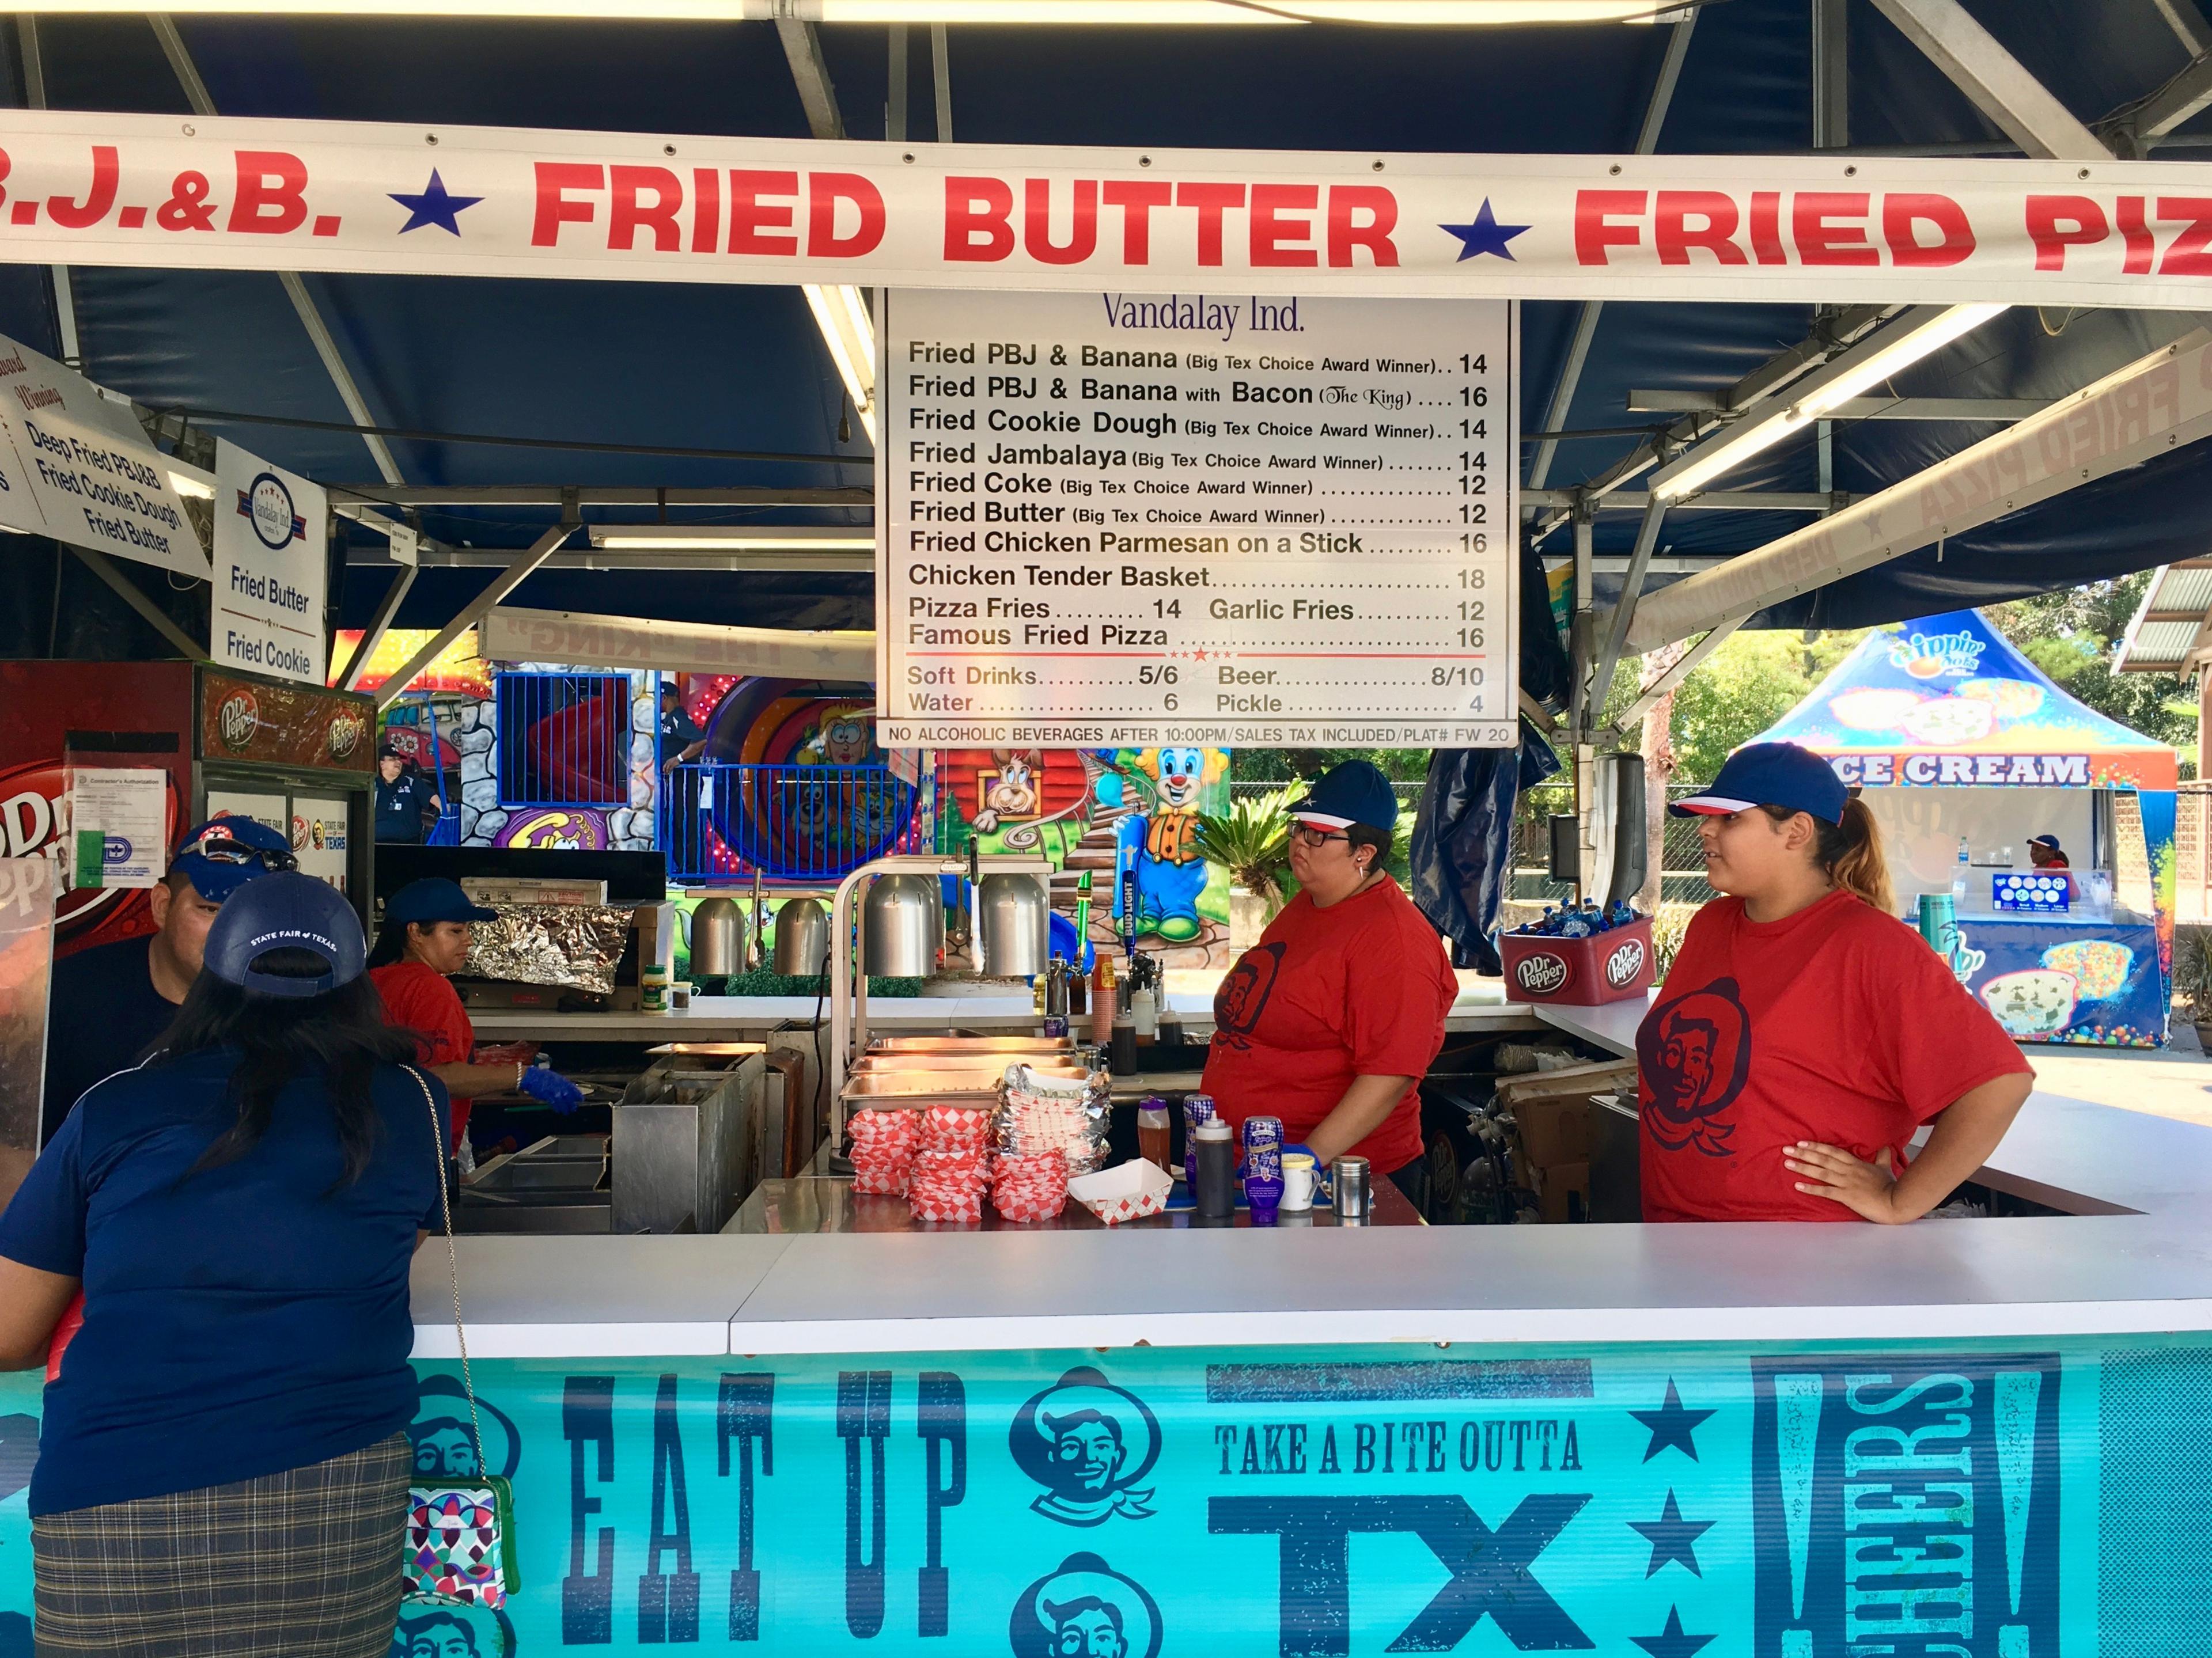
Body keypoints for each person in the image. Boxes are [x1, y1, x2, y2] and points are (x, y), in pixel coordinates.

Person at [0, 873, 449, 1655]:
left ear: (211, 981)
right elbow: (390, 1238)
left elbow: (9, 1332)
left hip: (114, 1490)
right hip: (332, 1489)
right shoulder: (412, 1101)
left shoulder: (115, 1105)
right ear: (357, 989)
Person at [1642, 742, 2034, 1224]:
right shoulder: (1712, 923)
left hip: (1805, 1263)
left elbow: (2000, 1083)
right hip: (1676, 1237)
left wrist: (1901, 1201)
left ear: (1798, 831)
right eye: (1708, 816)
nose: (1705, 829)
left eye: (1729, 819)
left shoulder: (1871, 946)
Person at [1200, 761, 1457, 1212]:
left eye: (1319, 834)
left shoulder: (1394, 940)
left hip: (1343, 1182)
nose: (1300, 841)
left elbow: (1390, 1074)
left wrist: (1310, 1157)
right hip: (1261, 1170)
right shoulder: (1309, 904)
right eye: (1299, 827)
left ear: (1364, 853)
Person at [40, 817, 296, 1145]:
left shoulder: (298, 1004)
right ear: (163, 906)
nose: (234, 933)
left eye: (259, 915)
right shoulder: (68, 993)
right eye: (211, 909)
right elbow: (16, 1147)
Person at [369, 877, 581, 1157]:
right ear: (416, 932)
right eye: (456, 931)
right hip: (413, 1151)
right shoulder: (430, 987)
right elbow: (438, 1078)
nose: (468, 939)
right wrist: (521, 1077)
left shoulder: (372, 979)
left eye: (468, 929)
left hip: (372, 1143)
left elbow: (405, 1062)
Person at [374, 743, 444, 846]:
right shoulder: (373, 784)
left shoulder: (411, 781)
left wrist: (442, 807)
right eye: (393, 759)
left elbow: (430, 796)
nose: (398, 762)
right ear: (382, 764)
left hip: (408, 845)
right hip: (377, 845)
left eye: (399, 759)